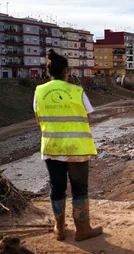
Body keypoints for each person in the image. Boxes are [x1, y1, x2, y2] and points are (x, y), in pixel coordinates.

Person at [33, 49, 102, 241]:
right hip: (77, 148)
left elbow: (39, 119)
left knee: (57, 187)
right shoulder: (77, 91)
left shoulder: (39, 92)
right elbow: (87, 117)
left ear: (49, 72)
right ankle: (82, 229)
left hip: (52, 147)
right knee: (79, 188)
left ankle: (60, 229)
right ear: (66, 71)